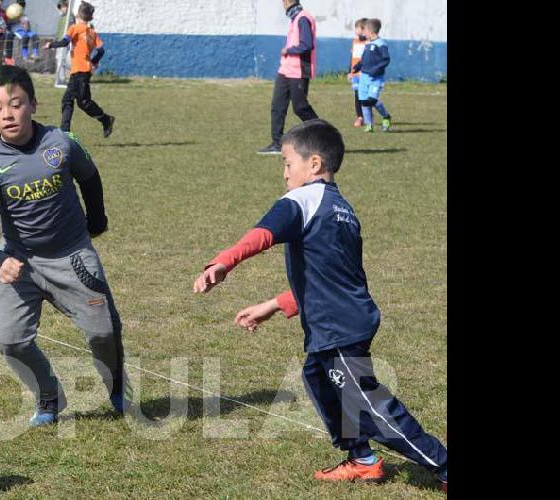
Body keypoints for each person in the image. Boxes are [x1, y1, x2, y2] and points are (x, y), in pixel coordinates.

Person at [192, 119, 448, 492]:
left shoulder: (303, 199)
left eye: (287, 163)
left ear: (313, 164)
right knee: (320, 381)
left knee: (369, 404)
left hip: (340, 325)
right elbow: (330, 276)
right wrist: (275, 304)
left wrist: (224, 261)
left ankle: (441, 463)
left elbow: (263, 234)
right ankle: (362, 460)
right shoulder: (342, 207)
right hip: (342, 317)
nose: (284, 174)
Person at [0, 65, 131, 426]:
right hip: (18, 262)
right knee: (10, 341)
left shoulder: (61, 142)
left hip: (72, 257)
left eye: (16, 103)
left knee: (103, 331)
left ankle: (117, 385)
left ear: (33, 104)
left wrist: (97, 220)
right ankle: (49, 397)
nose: (8, 114)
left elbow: (90, 177)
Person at [256, 0, 319, 155]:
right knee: (277, 106)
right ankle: (277, 143)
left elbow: (307, 45)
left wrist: (288, 50)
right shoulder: (294, 18)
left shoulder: (303, 18)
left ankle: (323, 135)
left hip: (298, 71)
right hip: (285, 70)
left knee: (300, 107)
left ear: (287, 2)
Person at [44, 1, 114, 136]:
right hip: (83, 71)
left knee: (77, 101)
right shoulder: (92, 32)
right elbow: (101, 51)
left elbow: (64, 42)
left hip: (80, 71)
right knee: (79, 102)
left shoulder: (74, 28)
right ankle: (104, 120)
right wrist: (93, 61)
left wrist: (50, 45)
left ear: (77, 14)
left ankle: (67, 131)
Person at [352, 18, 393, 132]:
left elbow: (386, 60)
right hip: (364, 78)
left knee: (372, 100)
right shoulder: (368, 44)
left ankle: (386, 117)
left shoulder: (381, 44)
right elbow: (364, 59)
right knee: (364, 102)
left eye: (364, 31)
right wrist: (357, 66)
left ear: (370, 32)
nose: (363, 33)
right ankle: (369, 125)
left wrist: (376, 69)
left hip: (375, 78)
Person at [348, 18, 368, 128]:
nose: (356, 30)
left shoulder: (369, 43)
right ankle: (360, 117)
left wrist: (364, 71)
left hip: (365, 74)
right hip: (355, 75)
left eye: (358, 28)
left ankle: (368, 115)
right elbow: (351, 57)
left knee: (366, 96)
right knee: (357, 96)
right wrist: (349, 72)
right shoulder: (354, 41)